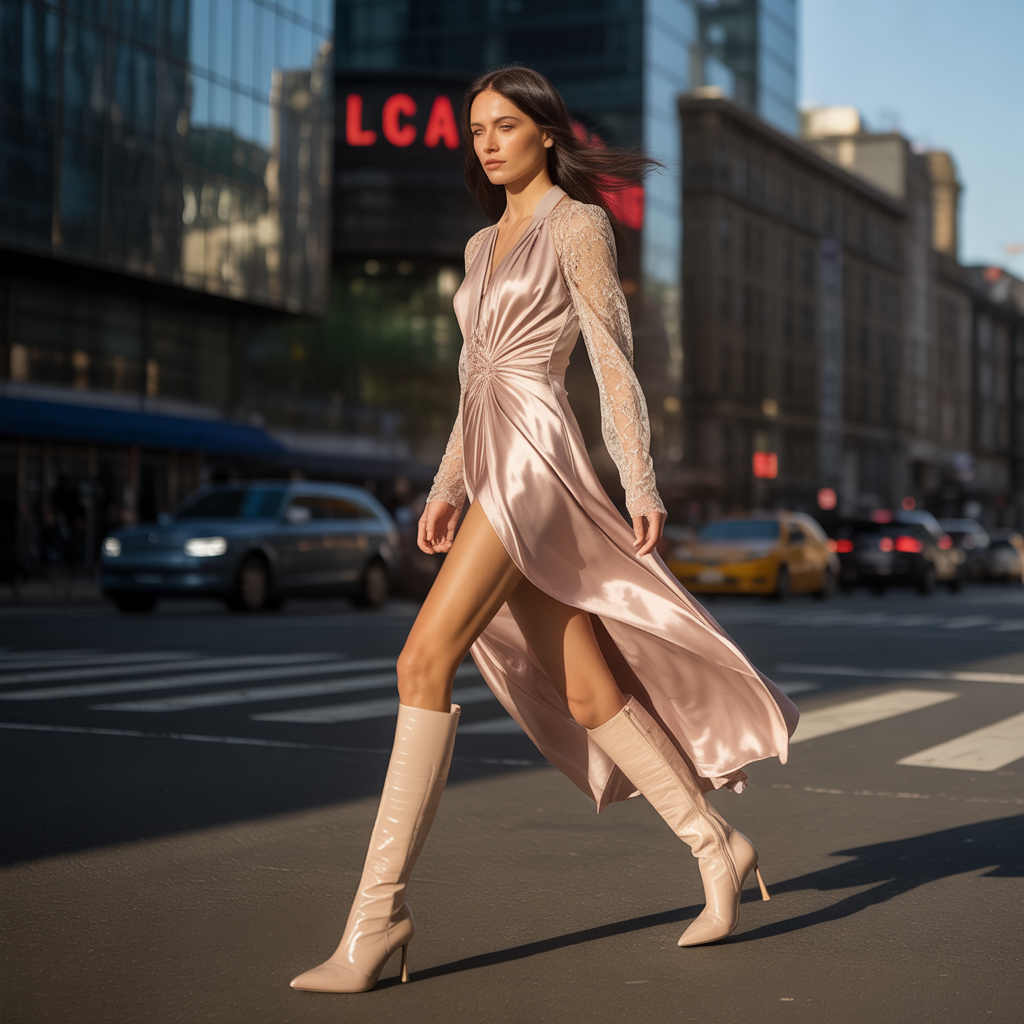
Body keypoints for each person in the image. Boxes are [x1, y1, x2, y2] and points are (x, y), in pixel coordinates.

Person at [289, 65, 799, 994]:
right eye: (476, 129)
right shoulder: (481, 243)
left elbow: (611, 361)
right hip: (488, 461)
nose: (487, 143)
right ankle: (715, 843)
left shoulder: (578, 224)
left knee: (421, 660)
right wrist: (447, 484)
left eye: (505, 125)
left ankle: (377, 918)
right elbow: (472, 375)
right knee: (590, 692)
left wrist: (638, 479)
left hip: (536, 463)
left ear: (547, 133)